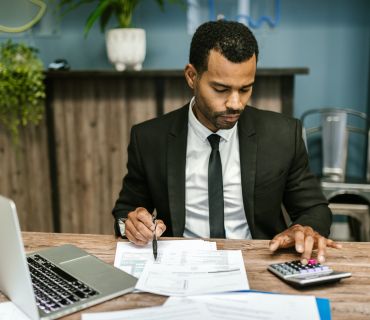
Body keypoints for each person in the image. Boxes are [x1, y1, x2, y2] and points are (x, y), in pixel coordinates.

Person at [112, 20, 341, 264]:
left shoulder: (284, 135)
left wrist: (304, 228)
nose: (235, 103)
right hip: (179, 265)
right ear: (192, 76)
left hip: (259, 263)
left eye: (245, 89)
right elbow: (125, 212)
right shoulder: (149, 138)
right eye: (221, 89)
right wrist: (131, 225)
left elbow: (315, 209)